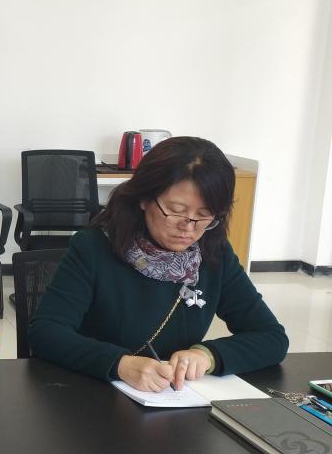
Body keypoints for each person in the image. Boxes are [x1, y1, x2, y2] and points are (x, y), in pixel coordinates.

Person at [28, 137, 288, 392]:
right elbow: (46, 333)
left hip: (172, 398)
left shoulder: (213, 253)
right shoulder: (94, 247)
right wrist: (119, 364)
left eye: (203, 215)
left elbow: (271, 337)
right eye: (176, 210)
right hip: (93, 395)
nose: (188, 227)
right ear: (144, 198)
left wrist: (207, 355)